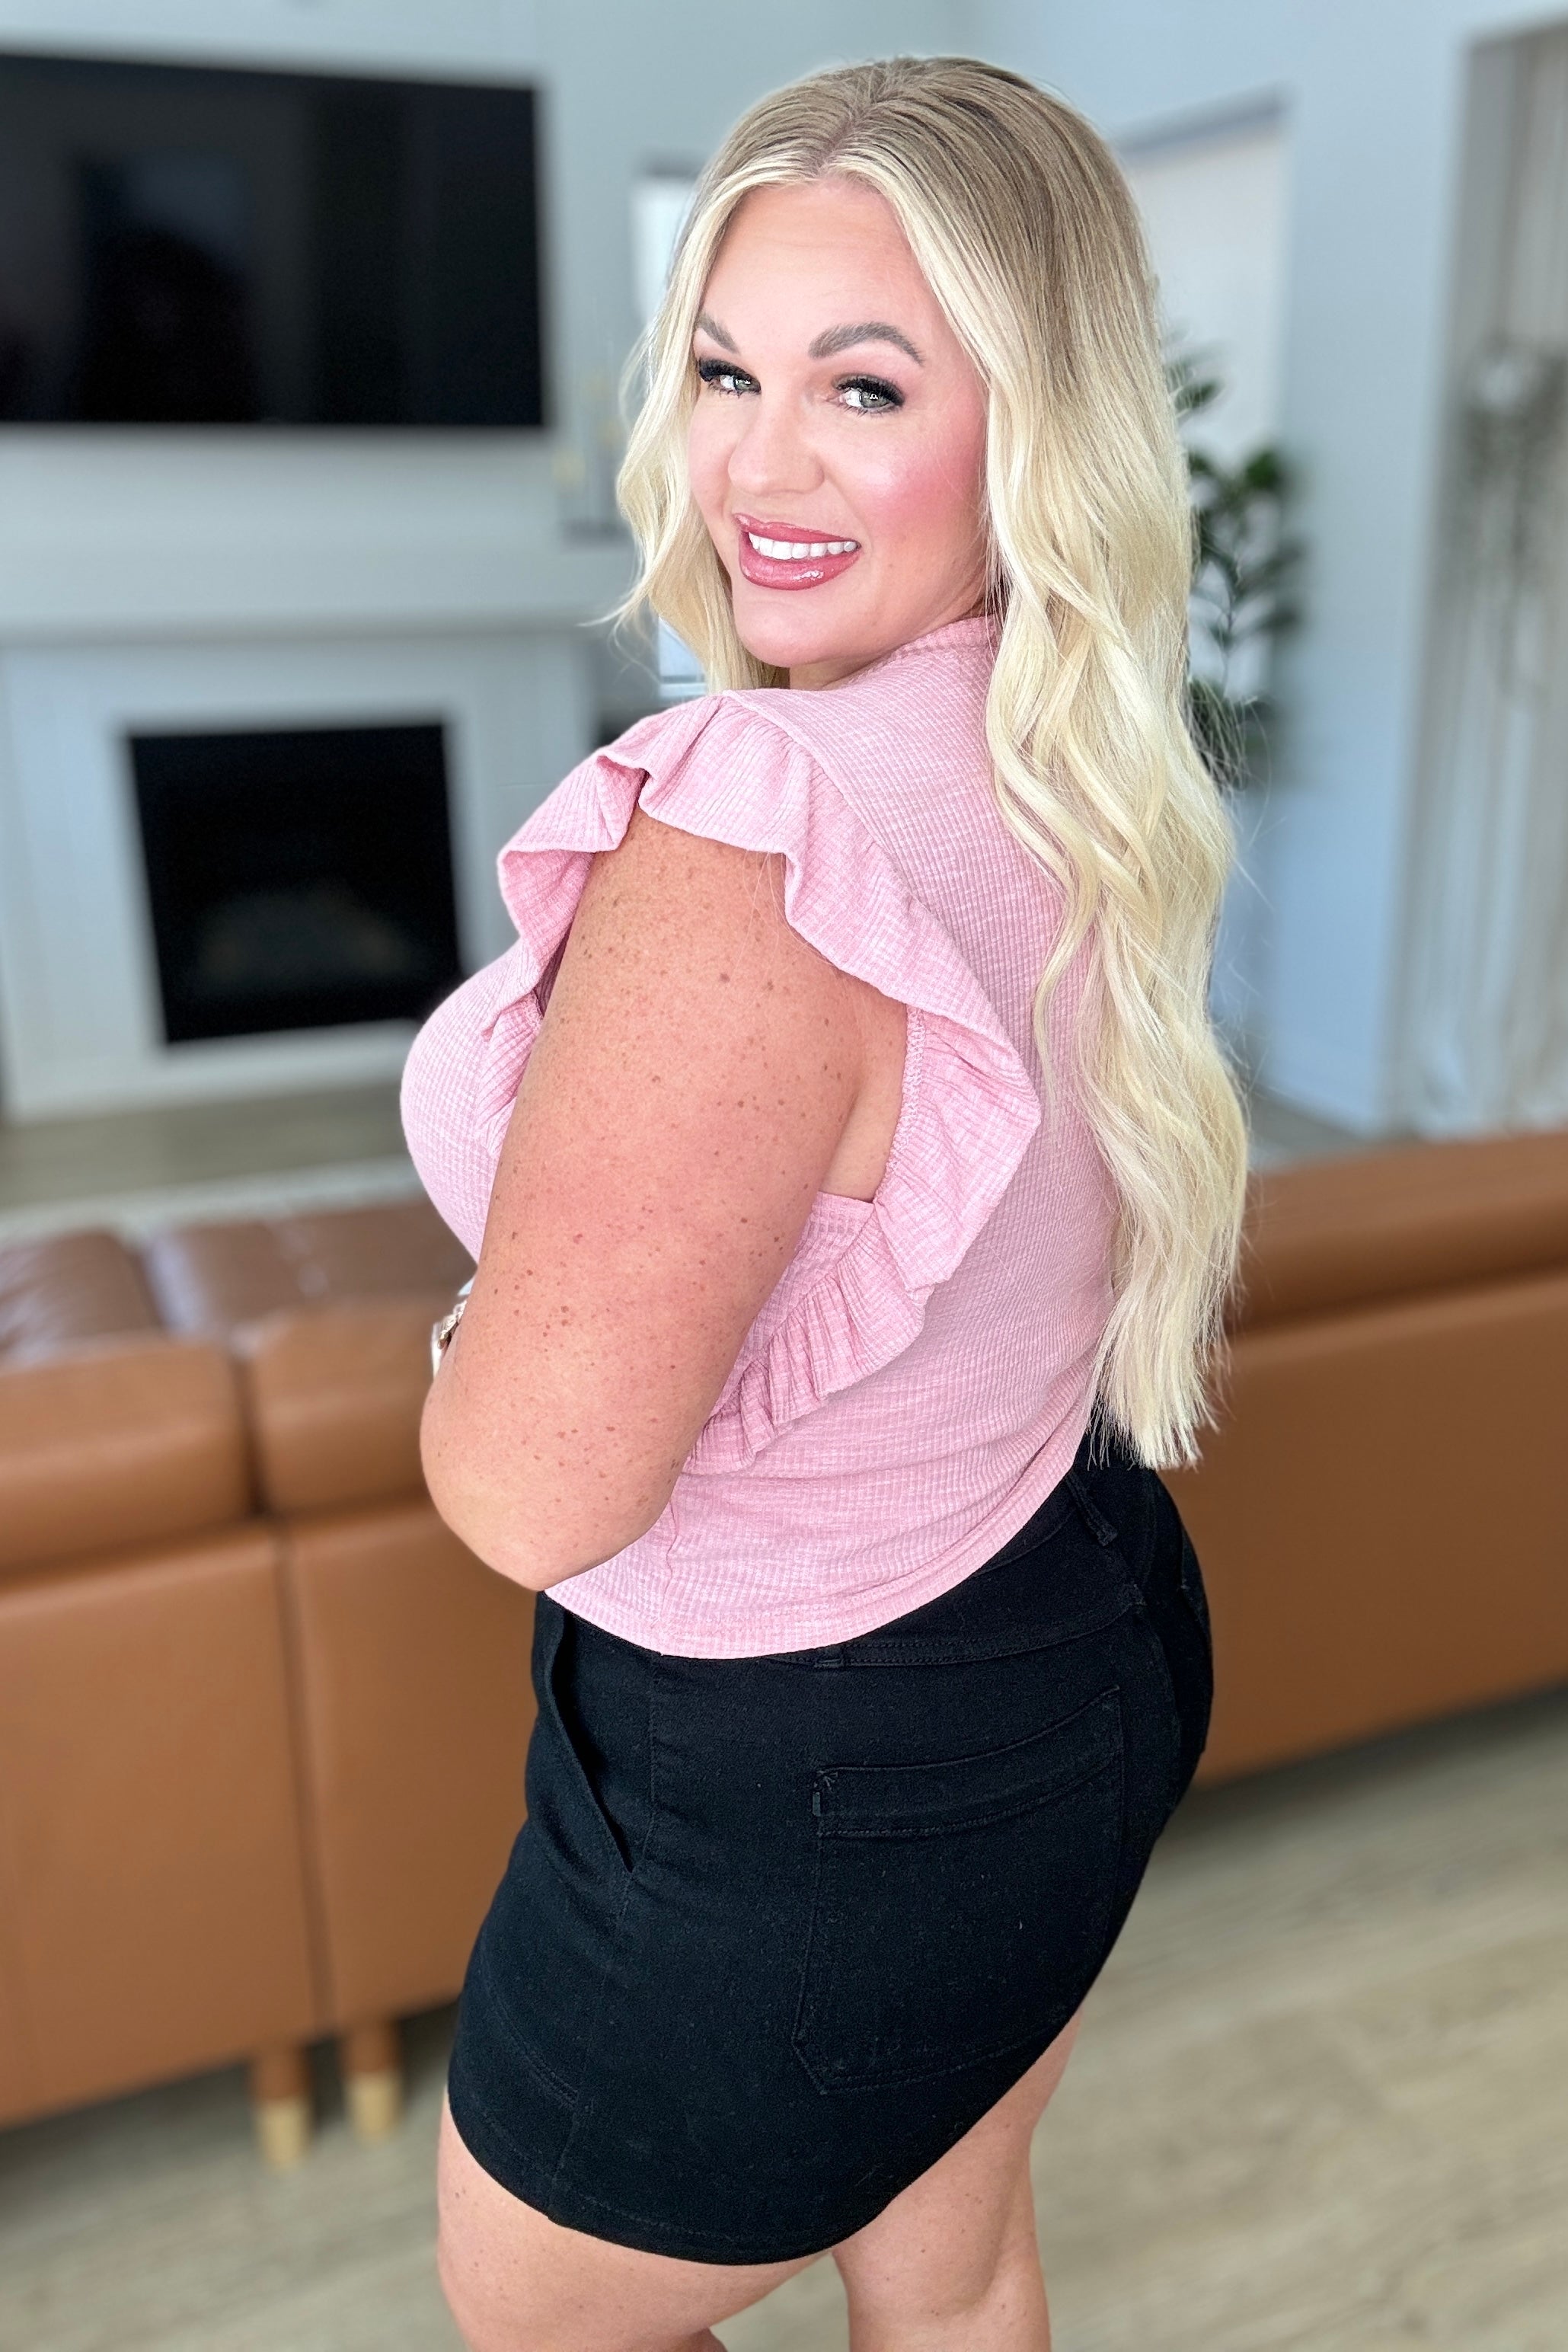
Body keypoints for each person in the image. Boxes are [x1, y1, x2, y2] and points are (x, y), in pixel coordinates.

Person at [401, 53, 1247, 2352]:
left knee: (545, 2322)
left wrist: (481, 1334)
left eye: (862, 387)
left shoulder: (748, 815)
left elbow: (532, 1489)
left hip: (805, 1771)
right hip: (1075, 1612)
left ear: (1033, 426)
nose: (757, 466)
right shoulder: (1067, 754)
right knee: (949, 2275)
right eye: (722, 372)